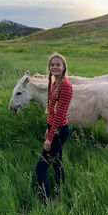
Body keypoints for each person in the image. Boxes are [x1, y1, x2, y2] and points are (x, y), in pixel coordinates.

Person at [35, 53, 73, 204]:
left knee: (41, 168)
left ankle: (46, 202)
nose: (55, 67)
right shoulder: (55, 83)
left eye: (58, 64)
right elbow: (52, 110)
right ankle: (59, 192)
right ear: (49, 68)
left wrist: (50, 137)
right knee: (57, 162)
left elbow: (60, 114)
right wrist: (48, 127)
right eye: (52, 65)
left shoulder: (65, 86)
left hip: (59, 131)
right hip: (54, 128)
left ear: (64, 67)